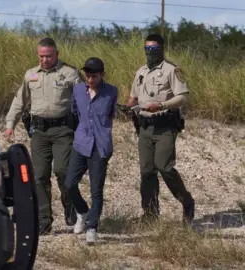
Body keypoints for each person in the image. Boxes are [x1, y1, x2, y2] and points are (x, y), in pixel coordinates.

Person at [4, 37, 81, 235]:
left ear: (57, 54)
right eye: (41, 56)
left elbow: (83, 101)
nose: (44, 60)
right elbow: (19, 101)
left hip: (63, 130)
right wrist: (9, 125)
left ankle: (69, 204)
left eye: (48, 56)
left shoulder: (70, 73)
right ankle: (44, 220)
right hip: (39, 132)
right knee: (39, 176)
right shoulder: (31, 75)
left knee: (63, 171)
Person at [124, 33, 195, 225]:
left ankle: (186, 201)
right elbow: (134, 98)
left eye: (153, 49)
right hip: (145, 128)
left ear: (162, 49)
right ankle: (150, 213)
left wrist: (162, 105)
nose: (149, 53)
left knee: (164, 166)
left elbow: (183, 96)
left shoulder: (172, 70)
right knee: (147, 171)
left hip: (165, 126)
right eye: (146, 49)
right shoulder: (141, 71)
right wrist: (126, 107)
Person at [64, 57, 118, 244]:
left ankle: (92, 227)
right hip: (81, 143)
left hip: (100, 146)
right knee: (69, 183)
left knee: (97, 190)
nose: (90, 79)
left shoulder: (111, 91)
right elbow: (75, 113)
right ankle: (82, 212)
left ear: (102, 74)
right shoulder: (78, 90)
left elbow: (110, 114)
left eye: (94, 76)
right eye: (87, 76)